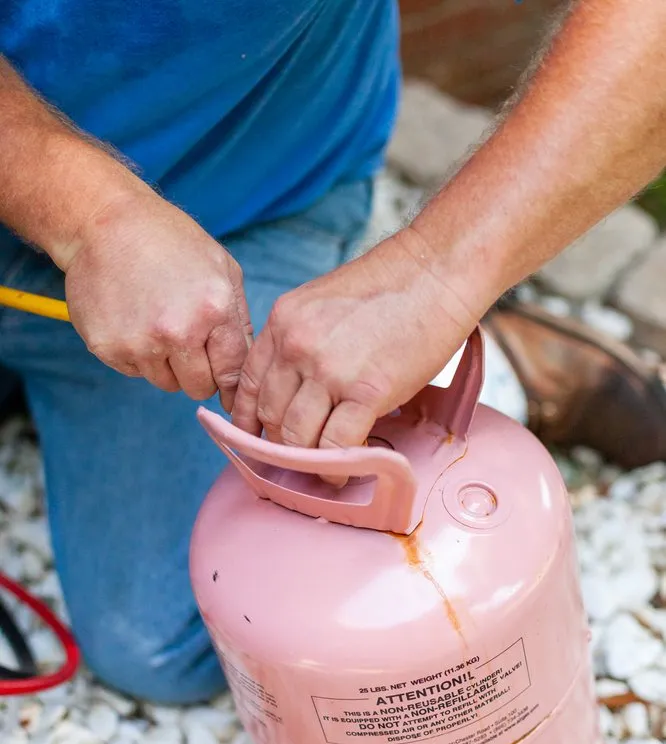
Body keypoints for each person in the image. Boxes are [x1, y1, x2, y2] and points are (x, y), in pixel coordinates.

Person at [1, 0, 665, 704]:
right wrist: (83, 213)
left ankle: (478, 363)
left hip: (234, 203)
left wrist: (436, 281)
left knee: (170, 642)